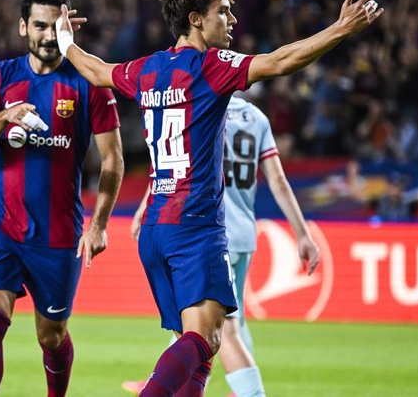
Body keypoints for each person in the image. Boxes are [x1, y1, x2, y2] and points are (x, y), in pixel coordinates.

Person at [56, 0, 382, 395]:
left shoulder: (147, 69)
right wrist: (340, 29)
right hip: (195, 226)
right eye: (222, 12)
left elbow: (96, 70)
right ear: (195, 20)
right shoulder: (212, 65)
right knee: (205, 339)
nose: (231, 21)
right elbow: (282, 61)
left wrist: (65, 40)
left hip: (154, 227)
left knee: (199, 350)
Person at [0, 0, 123, 397]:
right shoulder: (1, 76)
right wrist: (4, 117)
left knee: (51, 336)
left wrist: (100, 225)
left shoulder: (91, 84)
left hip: (57, 233)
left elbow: (112, 160)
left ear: (69, 26)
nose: (49, 35)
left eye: (57, 25)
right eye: (40, 25)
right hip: (2, 222)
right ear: (23, 27)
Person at [123, 96, 321, 396]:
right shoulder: (257, 118)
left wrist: (144, 207)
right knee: (217, 321)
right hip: (243, 233)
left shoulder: (201, 106)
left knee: (222, 329)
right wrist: (303, 234)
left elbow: (173, 164)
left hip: (206, 232)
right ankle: (170, 378)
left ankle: (246, 392)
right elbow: (278, 181)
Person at [347, 157, 418, 221]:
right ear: (388, 187)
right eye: (393, 185)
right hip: (384, 240)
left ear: (402, 188)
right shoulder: (379, 203)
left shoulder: (409, 205)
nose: (396, 189)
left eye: (398, 186)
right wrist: (352, 174)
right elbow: (355, 194)